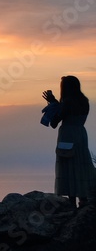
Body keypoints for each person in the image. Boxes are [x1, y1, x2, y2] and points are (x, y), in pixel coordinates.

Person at [42, 75, 96, 207]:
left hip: (67, 135)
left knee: (68, 167)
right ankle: (83, 200)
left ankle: (71, 203)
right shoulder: (85, 101)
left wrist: (53, 104)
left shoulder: (67, 103)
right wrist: (56, 103)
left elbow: (54, 122)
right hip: (81, 135)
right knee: (81, 166)